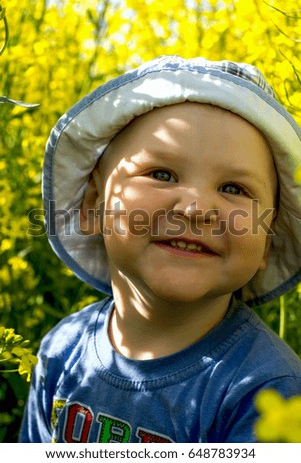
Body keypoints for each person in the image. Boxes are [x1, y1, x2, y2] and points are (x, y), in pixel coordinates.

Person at [20, 56, 301, 443]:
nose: (196, 209)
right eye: (162, 174)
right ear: (93, 206)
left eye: (234, 189)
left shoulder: (269, 390)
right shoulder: (60, 351)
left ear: (268, 238)